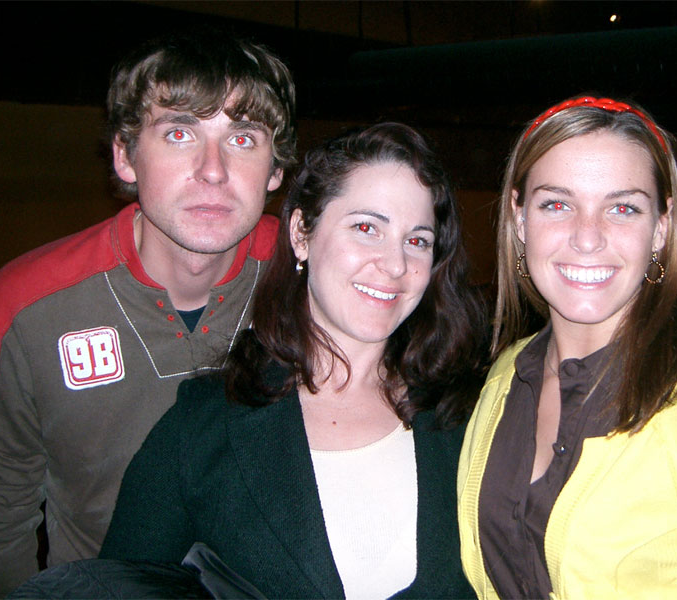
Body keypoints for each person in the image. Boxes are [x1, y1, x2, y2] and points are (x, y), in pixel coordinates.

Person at [99, 122, 485, 599]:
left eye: (418, 240)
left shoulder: (470, 417)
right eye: (367, 228)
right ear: (302, 233)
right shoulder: (202, 427)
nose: (395, 264)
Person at [0, 29, 295, 597]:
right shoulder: (24, 308)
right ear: (125, 156)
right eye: (179, 133)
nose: (213, 169)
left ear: (275, 171)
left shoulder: (314, 281)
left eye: (243, 138)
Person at [457, 96, 677, 599]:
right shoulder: (505, 376)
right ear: (520, 220)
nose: (587, 238)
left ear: (660, 228)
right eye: (557, 204)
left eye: (622, 208)